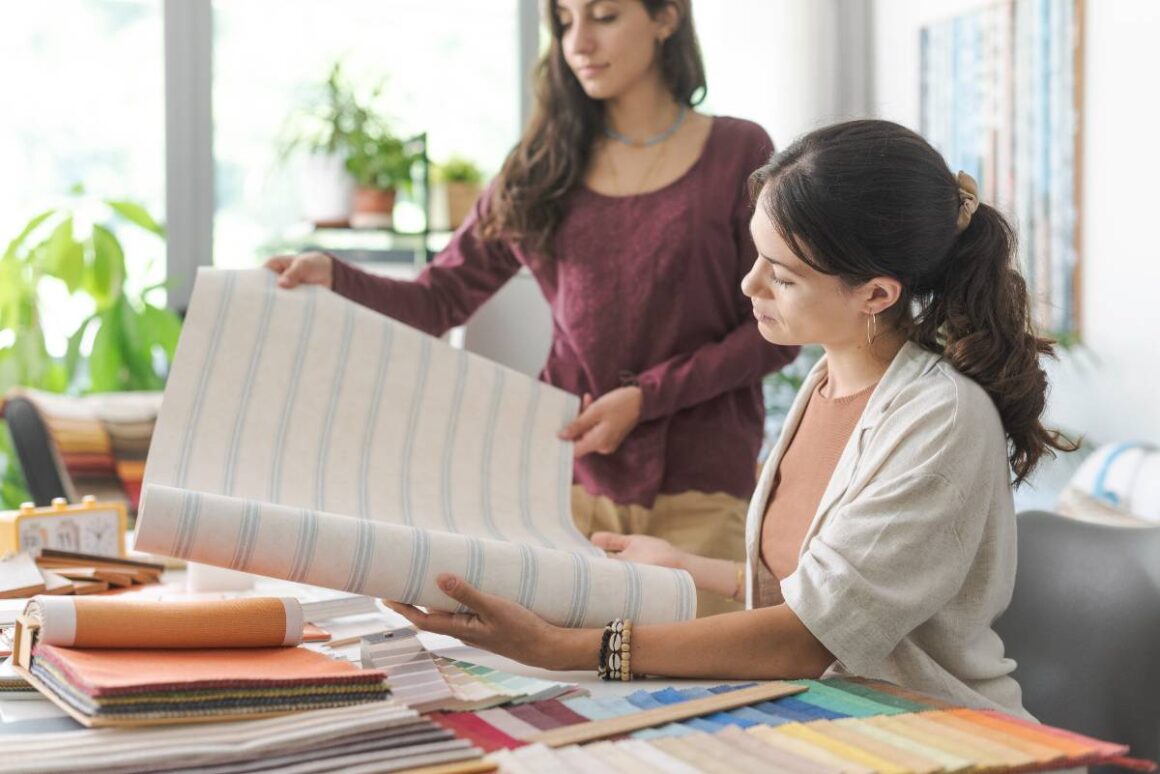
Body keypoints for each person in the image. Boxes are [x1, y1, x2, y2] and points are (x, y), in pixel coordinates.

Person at [382, 119, 1076, 716]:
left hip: (937, 733)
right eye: (756, 257)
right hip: (835, 718)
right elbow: (823, 591)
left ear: (876, 293)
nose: (750, 286)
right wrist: (689, 567)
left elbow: (807, 637)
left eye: (783, 274)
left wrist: (566, 648)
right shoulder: (830, 381)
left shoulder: (940, 419)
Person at [267, 0, 797, 616]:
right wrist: (336, 277)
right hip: (558, 484)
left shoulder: (738, 152)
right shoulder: (541, 167)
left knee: (702, 683)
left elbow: (776, 331)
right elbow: (439, 300)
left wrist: (647, 398)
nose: (579, 43)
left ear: (665, 18)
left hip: (702, 486)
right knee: (560, 685)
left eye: (603, 16)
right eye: (565, 22)